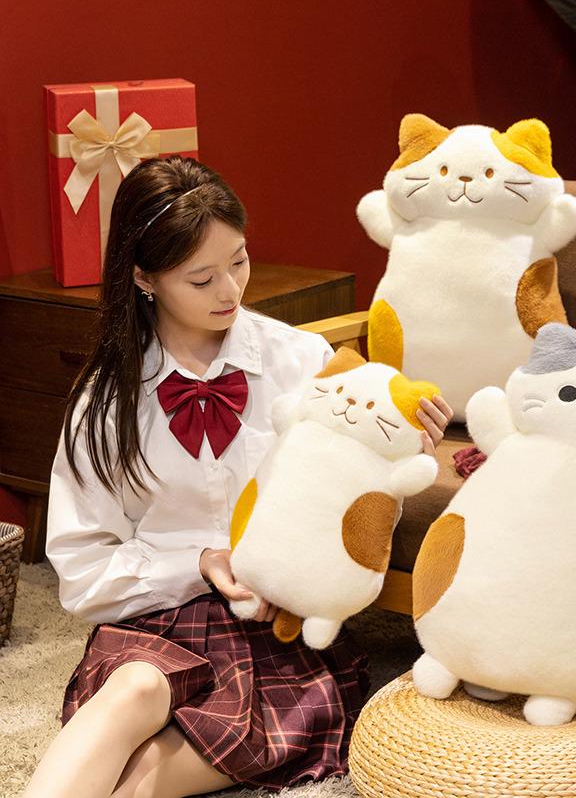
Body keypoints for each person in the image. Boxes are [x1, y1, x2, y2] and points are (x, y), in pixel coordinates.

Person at [23, 156, 453, 798]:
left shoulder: (303, 362)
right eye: (201, 278)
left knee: (162, 767)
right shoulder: (105, 401)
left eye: (240, 261)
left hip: (276, 624)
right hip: (158, 616)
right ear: (143, 277)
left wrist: (402, 443)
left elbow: (351, 504)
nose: (230, 291)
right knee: (134, 688)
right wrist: (198, 563)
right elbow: (82, 569)